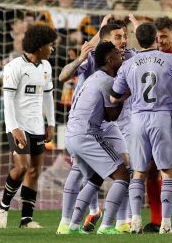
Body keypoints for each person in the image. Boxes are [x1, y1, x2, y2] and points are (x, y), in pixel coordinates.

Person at [58, 17, 138, 233]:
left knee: (95, 177)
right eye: (117, 38)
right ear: (109, 57)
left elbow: (110, 114)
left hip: (77, 132)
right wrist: (124, 96)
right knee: (121, 175)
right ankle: (105, 225)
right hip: (89, 132)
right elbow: (63, 76)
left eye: (124, 36)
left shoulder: (107, 69)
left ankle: (74, 225)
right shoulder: (99, 69)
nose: (122, 43)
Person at [111, 22, 172, 234]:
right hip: (161, 117)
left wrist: (132, 91)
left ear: (137, 40)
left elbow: (114, 96)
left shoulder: (128, 64)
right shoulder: (170, 59)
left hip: (137, 119)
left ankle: (134, 222)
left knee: (138, 172)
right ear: (155, 38)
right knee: (167, 171)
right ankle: (166, 224)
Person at [0, 25, 57, 229]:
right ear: (39, 47)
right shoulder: (14, 67)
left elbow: (48, 96)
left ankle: (26, 220)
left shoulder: (46, 66)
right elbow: (8, 100)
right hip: (17, 125)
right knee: (21, 167)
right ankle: (3, 208)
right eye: (50, 45)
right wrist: (14, 128)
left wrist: (51, 123)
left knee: (34, 171)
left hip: (37, 126)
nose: (52, 49)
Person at [140, 17, 172, 233]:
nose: (160, 41)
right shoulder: (152, 57)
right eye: (158, 37)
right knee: (151, 169)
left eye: (164, 36)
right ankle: (156, 219)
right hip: (154, 118)